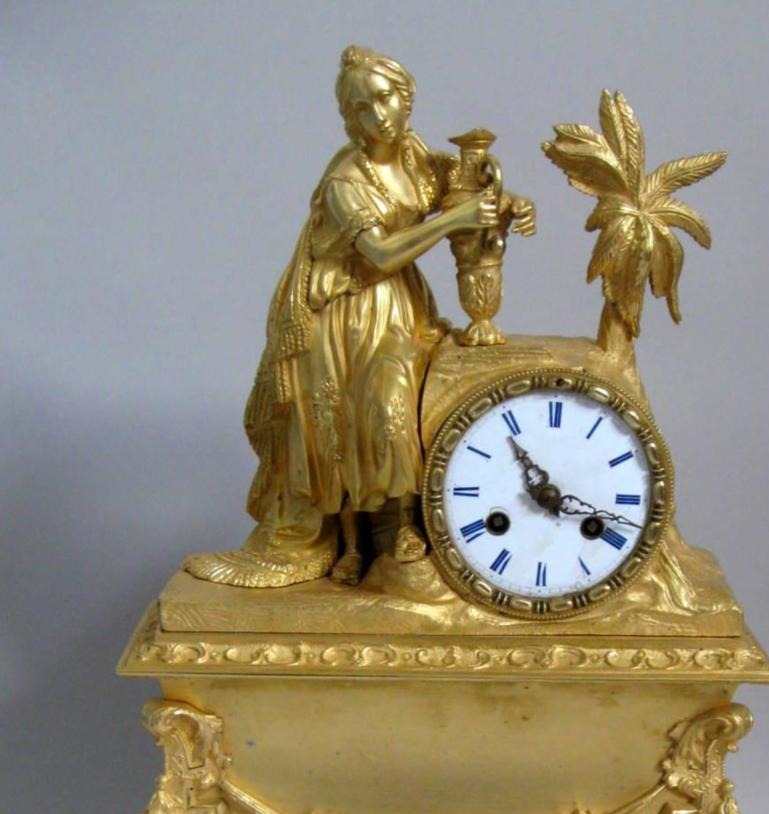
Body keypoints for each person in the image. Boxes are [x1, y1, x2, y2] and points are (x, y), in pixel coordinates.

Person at [185, 45, 533, 588]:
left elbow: (461, 189)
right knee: (361, 418)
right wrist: (455, 220)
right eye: (362, 107)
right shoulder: (345, 181)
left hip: (401, 305)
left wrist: (507, 201)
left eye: (386, 98)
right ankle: (362, 541)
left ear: (407, 97)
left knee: (400, 408)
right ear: (349, 118)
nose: (379, 115)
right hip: (345, 313)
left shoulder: (415, 155)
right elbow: (382, 254)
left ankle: (407, 525)